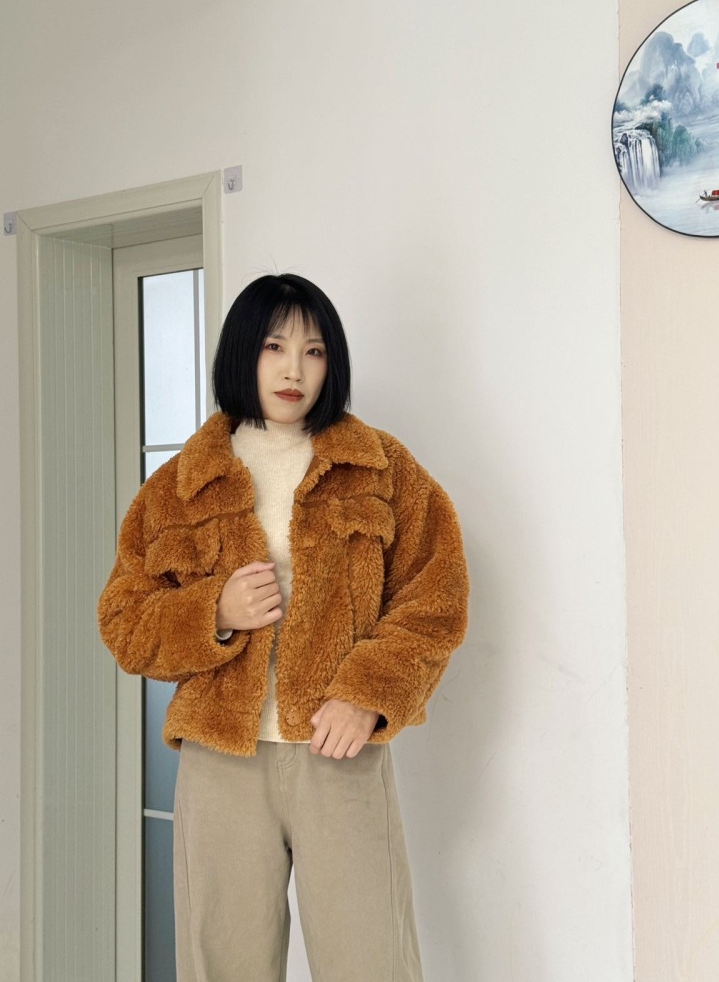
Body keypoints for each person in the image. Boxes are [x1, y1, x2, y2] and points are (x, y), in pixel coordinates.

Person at [97, 273, 470, 982]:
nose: (294, 369)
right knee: (222, 963)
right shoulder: (181, 484)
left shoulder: (380, 467)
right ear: (244, 353)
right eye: (274, 347)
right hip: (221, 760)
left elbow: (437, 598)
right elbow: (123, 618)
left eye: (314, 351)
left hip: (340, 752)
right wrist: (213, 612)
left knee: (373, 963)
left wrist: (366, 693)